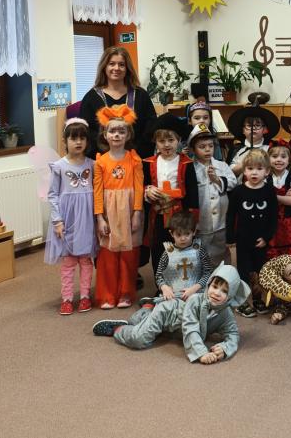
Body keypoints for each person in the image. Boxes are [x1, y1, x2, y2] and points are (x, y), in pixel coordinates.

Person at [92, 211, 211, 347]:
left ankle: (149, 307)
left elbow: (208, 273)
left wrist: (195, 288)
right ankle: (126, 324)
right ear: (171, 234)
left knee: (185, 327)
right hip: (171, 297)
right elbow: (159, 275)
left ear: (194, 232)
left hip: (194, 296)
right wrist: (164, 287)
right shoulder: (168, 253)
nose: (183, 238)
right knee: (140, 322)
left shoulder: (199, 251)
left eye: (187, 234)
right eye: (179, 235)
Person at [92, 105, 144, 309]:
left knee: (128, 255)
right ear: (105, 134)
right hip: (109, 212)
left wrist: (137, 213)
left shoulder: (134, 159)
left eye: (121, 131)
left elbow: (139, 188)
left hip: (129, 210)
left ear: (128, 134)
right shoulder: (100, 162)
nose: (116, 135)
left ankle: (125, 293)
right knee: (108, 254)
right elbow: (97, 191)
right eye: (112, 131)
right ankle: (107, 295)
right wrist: (100, 217)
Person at [44, 117, 96, 315]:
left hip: (87, 219)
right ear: (65, 141)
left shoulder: (92, 165)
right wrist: (57, 220)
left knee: (85, 260)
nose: (78, 142)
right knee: (69, 261)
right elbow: (53, 195)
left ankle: (85, 296)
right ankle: (66, 298)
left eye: (82, 138)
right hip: (67, 219)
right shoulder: (59, 166)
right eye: (74, 138)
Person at [142, 113, 199, 276]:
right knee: (158, 249)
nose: (166, 144)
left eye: (171, 140)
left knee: (180, 249)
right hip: (157, 215)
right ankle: (160, 284)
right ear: (155, 142)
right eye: (161, 141)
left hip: (179, 215)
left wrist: (193, 219)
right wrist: (147, 190)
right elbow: (143, 185)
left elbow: (193, 192)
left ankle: (180, 282)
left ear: (179, 140)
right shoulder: (148, 162)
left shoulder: (186, 163)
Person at [225, 149, 278, 316]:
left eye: (259, 169)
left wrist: (267, 237)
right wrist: (230, 237)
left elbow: (273, 216)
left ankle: (257, 299)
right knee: (243, 271)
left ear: (267, 171)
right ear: (244, 171)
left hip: (261, 240)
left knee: (258, 271)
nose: (254, 172)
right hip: (243, 240)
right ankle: (241, 302)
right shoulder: (238, 191)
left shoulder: (269, 191)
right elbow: (230, 215)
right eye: (250, 168)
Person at [79, 46, 156, 159]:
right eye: (112, 64)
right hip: (102, 160)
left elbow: (150, 128)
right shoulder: (91, 97)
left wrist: (134, 154)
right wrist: (107, 155)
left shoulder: (141, 95)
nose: (116, 68)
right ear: (104, 67)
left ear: (127, 68)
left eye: (121, 64)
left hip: (136, 158)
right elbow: (86, 132)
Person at [188, 123, 236, 269]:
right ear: (193, 149)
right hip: (202, 221)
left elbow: (233, 182)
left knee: (222, 253)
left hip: (221, 220)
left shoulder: (222, 165)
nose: (207, 149)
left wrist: (217, 179)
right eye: (202, 147)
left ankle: (223, 277)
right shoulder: (191, 169)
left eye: (210, 146)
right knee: (201, 253)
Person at [181, 264, 251, 363]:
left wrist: (225, 348)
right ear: (209, 284)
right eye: (214, 286)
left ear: (230, 296)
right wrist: (201, 352)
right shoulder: (194, 300)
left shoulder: (226, 312)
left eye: (224, 291)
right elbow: (190, 328)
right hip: (171, 313)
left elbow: (233, 333)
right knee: (157, 318)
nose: (217, 293)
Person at [226, 105, 280, 175]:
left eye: (257, 125)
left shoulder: (272, 147)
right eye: (249, 126)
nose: (253, 128)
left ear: (264, 129)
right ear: (243, 130)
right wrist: (245, 163)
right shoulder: (236, 149)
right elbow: (228, 173)